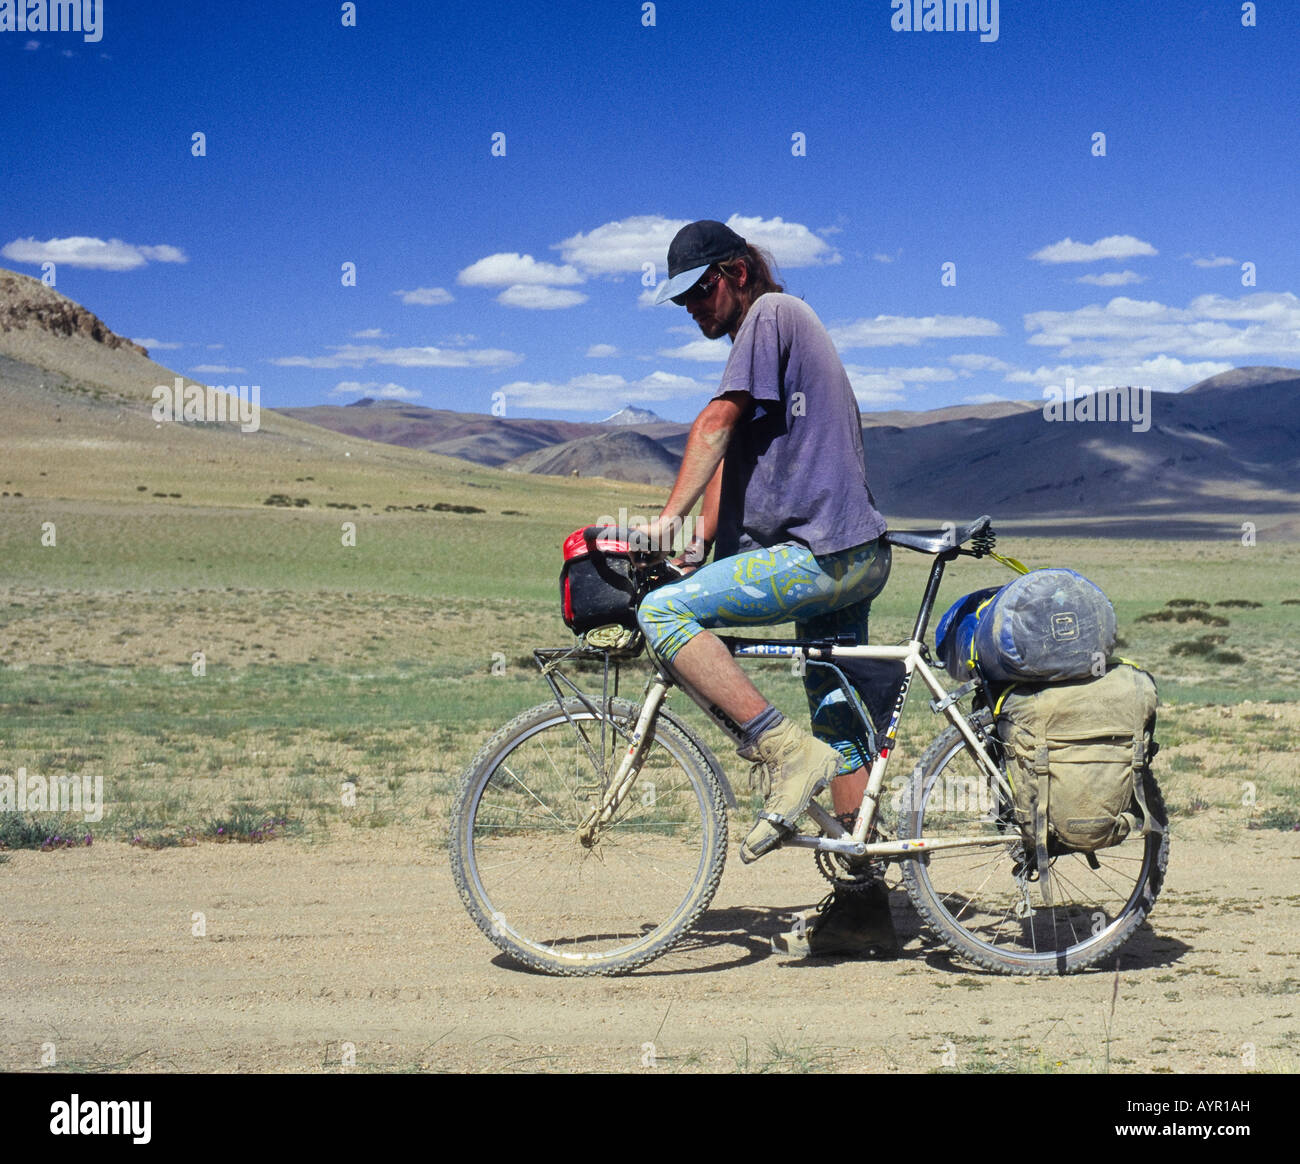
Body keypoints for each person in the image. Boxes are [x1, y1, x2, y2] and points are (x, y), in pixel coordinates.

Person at [634, 220, 897, 958]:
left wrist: (660, 524)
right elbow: (731, 465)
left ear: (740, 271)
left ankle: (780, 750)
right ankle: (863, 906)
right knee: (843, 728)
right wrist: (694, 549)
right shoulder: (768, 345)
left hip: (821, 554)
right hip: (852, 553)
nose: (695, 307)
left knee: (664, 612)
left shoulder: (771, 315)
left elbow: (715, 424)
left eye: (703, 289)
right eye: (683, 300)